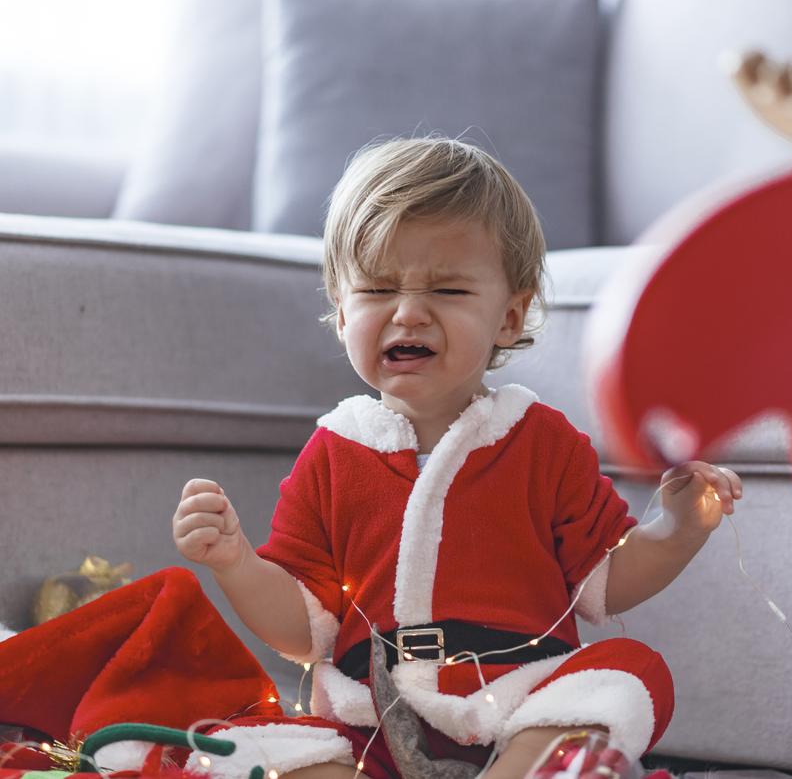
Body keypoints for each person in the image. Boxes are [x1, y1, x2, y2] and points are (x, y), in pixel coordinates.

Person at [172, 136, 743, 779]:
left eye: (447, 290)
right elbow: (306, 631)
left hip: (520, 706)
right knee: (247, 744)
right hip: (373, 726)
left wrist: (678, 528)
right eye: (379, 288)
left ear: (509, 317)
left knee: (631, 673)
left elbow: (607, 581)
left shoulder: (542, 441)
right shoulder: (333, 454)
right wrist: (235, 561)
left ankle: (521, 770)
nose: (409, 313)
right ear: (340, 311)